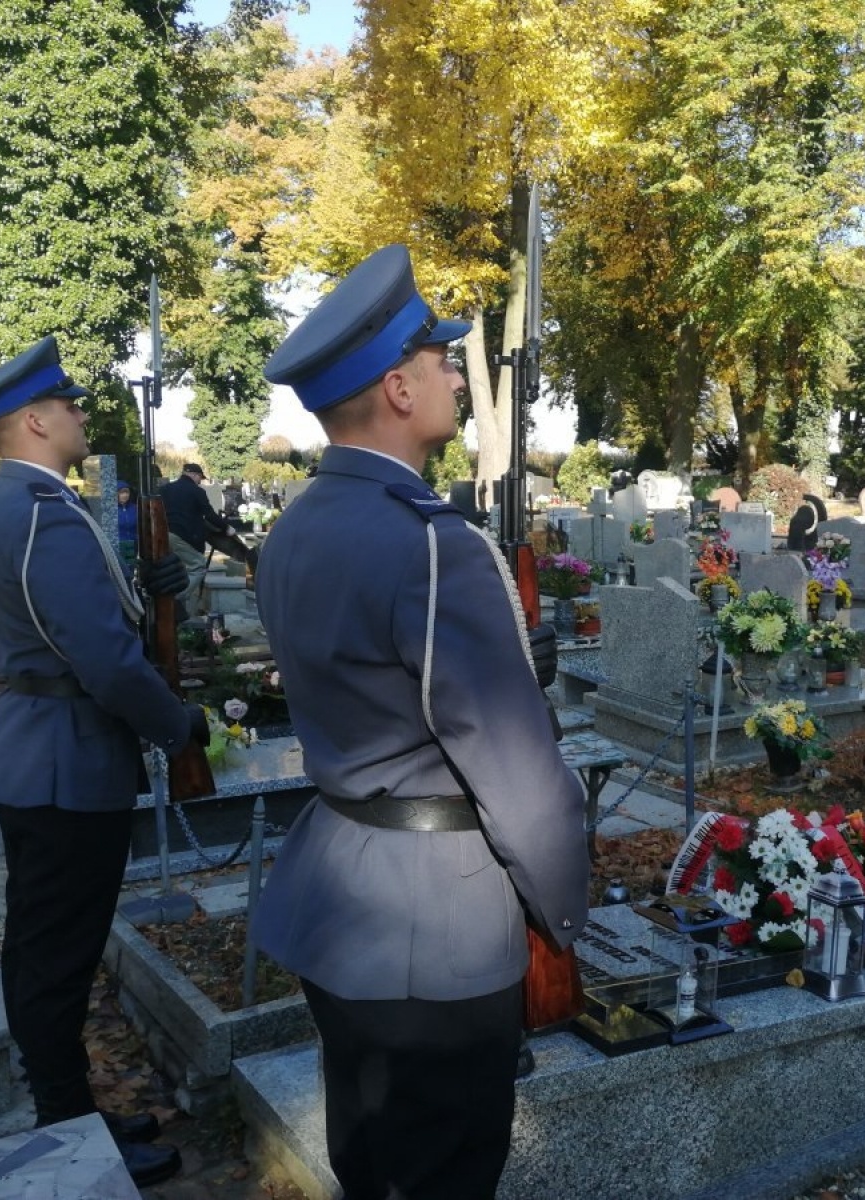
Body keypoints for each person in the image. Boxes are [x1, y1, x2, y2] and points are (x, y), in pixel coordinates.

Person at [256, 244, 589, 1200]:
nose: (456, 372)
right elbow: (518, 777)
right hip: (434, 920)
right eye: (442, 359)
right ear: (399, 389)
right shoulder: (434, 544)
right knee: (445, 1170)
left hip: (339, 894)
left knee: (373, 1162)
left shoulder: (297, 527)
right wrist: (562, 913)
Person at [0, 335, 206, 1187]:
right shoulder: (41, 514)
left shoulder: (12, 507)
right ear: (33, 421)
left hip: (38, 754)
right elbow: (102, 662)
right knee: (57, 958)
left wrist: (157, 595)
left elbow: (92, 627)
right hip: (67, 765)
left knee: (43, 950)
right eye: (66, 404)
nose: (80, 413)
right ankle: (67, 1127)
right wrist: (180, 727)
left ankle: (70, 1106)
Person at [157, 461, 234, 617]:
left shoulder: (166, 489)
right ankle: (176, 600)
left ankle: (183, 611)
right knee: (198, 566)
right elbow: (209, 514)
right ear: (194, 474)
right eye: (200, 477)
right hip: (184, 536)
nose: (200, 481)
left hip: (165, 533)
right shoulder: (196, 491)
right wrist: (226, 528)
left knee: (180, 570)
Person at [115, 481, 138, 572]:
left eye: (126, 492)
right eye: (121, 492)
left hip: (133, 545)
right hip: (119, 545)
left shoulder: (135, 508)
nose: (125, 495)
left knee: (131, 570)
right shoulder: (111, 509)